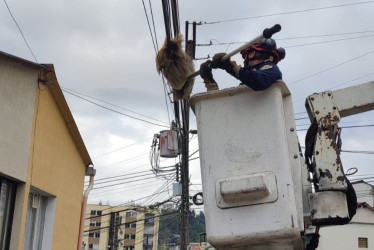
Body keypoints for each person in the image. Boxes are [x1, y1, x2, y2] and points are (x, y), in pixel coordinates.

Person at [199, 38, 285, 91]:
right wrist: (209, 81)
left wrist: (231, 67)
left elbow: (259, 81)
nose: (247, 58)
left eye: (250, 53)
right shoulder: (246, 82)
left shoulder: (271, 69)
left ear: (264, 55)